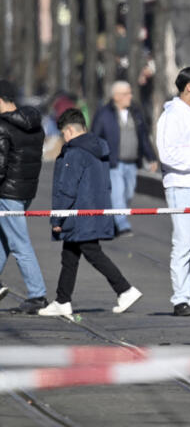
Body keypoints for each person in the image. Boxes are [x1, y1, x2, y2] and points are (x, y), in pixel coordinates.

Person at [39, 109, 142, 317]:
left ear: (69, 130)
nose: (63, 139)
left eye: (63, 134)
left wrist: (57, 217)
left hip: (79, 215)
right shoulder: (98, 148)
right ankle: (62, 299)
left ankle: (125, 289)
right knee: (69, 256)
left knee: (92, 253)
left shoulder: (74, 152)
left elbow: (66, 188)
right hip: (94, 210)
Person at [155, 67, 190, 317]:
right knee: (183, 245)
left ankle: (188, 296)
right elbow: (167, 154)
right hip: (181, 186)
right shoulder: (171, 115)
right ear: (189, 86)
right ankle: (180, 299)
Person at [0, 80, 49, 314]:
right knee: (3, 240)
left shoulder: (1, 126)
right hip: (25, 191)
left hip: (6, 192)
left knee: (19, 244)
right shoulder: (34, 124)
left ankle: (37, 294)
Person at [90, 81, 158, 237]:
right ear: (117, 96)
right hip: (114, 163)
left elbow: (143, 137)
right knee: (117, 193)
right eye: (127, 93)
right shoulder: (104, 114)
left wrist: (151, 158)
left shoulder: (135, 113)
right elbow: (95, 138)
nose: (130, 96)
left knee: (127, 194)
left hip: (132, 163)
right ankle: (123, 225)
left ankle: (115, 221)